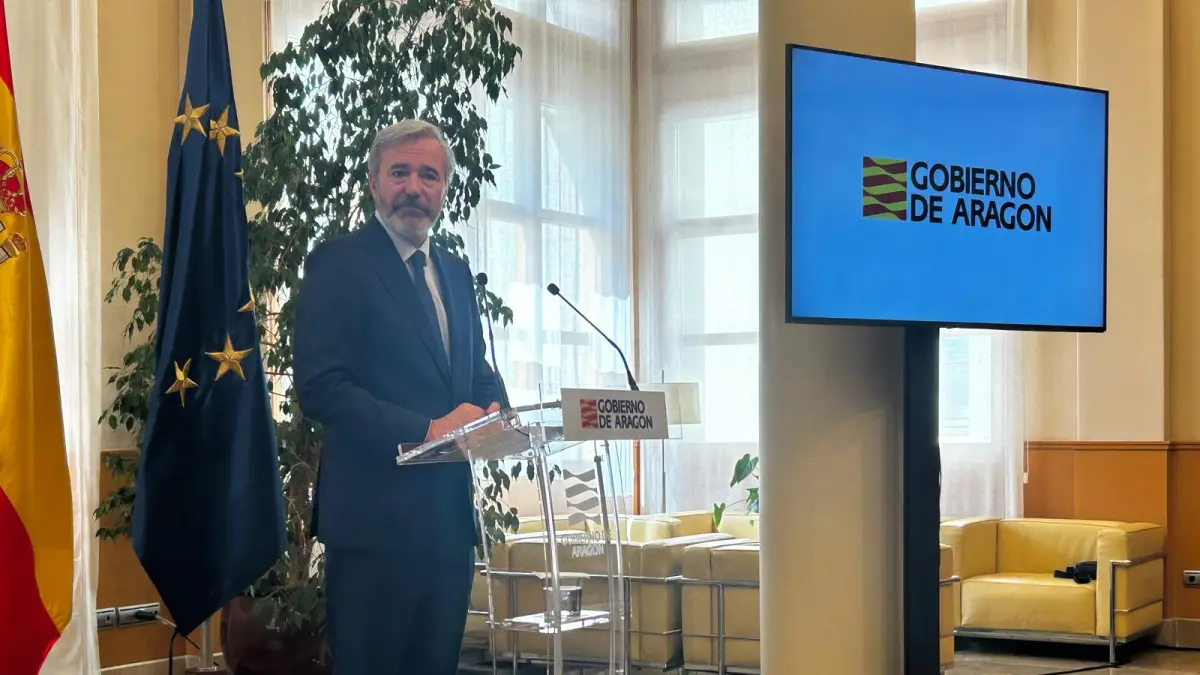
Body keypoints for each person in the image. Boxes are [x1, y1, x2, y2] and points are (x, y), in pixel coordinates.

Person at [293, 119, 501, 674]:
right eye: (400, 173)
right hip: (372, 532)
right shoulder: (337, 264)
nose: (414, 187)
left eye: (428, 176)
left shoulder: (456, 274)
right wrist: (428, 429)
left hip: (447, 531)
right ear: (374, 182)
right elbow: (320, 387)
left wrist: (494, 412)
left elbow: (475, 373)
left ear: (444, 189)